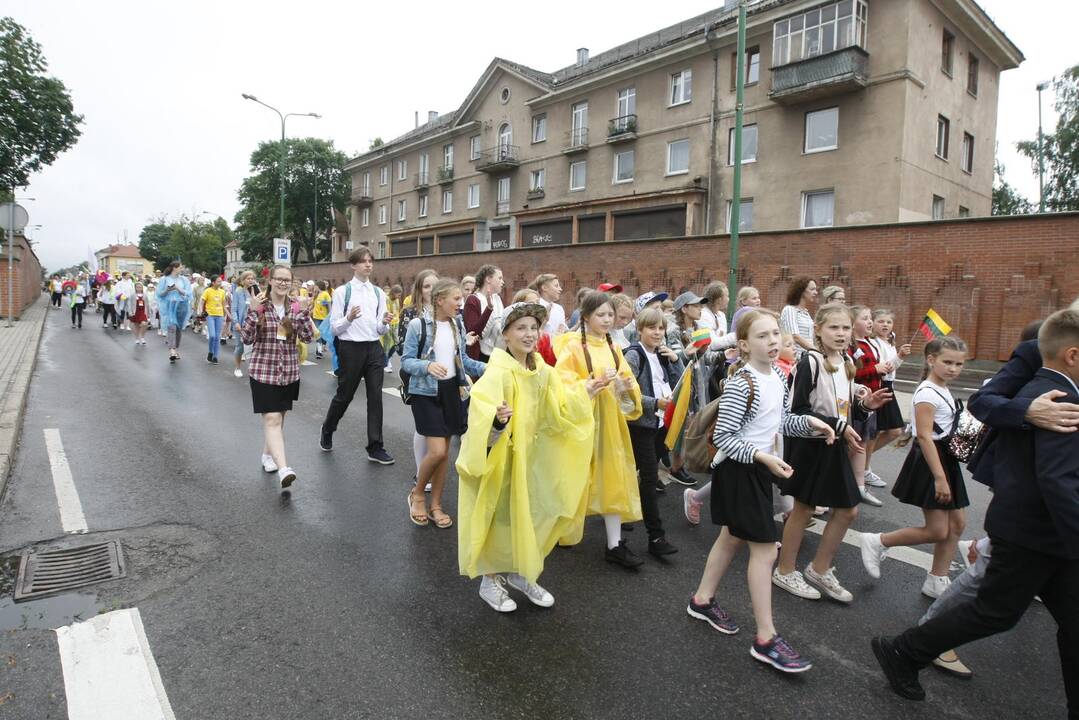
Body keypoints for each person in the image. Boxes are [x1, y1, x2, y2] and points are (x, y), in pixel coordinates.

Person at [872, 308, 1079, 713]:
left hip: (1045, 532)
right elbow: (1056, 478)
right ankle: (904, 650)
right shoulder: (1056, 394)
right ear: (1071, 354)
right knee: (994, 611)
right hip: (1033, 531)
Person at [687, 309, 835, 673]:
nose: (772, 342)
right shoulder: (743, 382)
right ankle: (766, 639)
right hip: (740, 472)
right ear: (743, 344)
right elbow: (723, 437)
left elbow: (781, 420)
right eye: (762, 336)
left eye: (775, 335)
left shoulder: (777, 378)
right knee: (766, 551)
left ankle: (702, 600)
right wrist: (763, 458)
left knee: (730, 539)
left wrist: (813, 423)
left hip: (754, 470)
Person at [456, 302, 598, 612]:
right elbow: (481, 422)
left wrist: (584, 393)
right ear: (505, 335)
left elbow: (558, 409)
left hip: (532, 461)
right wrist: (497, 423)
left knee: (532, 516)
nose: (529, 334)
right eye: (521, 328)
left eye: (534, 327)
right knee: (499, 519)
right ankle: (489, 580)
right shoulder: (497, 374)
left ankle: (523, 571)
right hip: (503, 464)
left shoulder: (542, 372)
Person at [773, 303, 892, 603]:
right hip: (811, 446)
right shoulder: (809, 362)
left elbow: (843, 407)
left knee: (848, 509)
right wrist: (837, 425)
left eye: (845, 328)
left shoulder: (846, 361)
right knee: (803, 508)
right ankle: (785, 570)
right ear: (818, 330)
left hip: (834, 443)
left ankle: (818, 568)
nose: (840, 334)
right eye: (833, 328)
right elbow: (796, 411)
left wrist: (865, 405)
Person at [860, 336, 970, 598]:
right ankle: (877, 541)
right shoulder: (927, 392)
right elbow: (924, 435)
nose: (954, 368)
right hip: (931, 462)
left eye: (959, 364)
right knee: (937, 529)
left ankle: (937, 579)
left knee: (957, 523)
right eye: (948, 362)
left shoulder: (942, 388)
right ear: (931, 360)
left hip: (944, 459)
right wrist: (940, 478)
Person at [555, 291, 644, 568]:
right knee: (575, 475)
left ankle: (614, 544)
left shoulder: (615, 348)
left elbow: (628, 384)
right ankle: (562, 530)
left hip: (609, 424)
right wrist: (588, 386)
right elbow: (562, 384)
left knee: (612, 477)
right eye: (601, 315)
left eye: (610, 315)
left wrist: (626, 387)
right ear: (586, 318)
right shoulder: (573, 348)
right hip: (582, 422)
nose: (607, 320)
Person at [402, 279, 487, 528]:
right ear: (440, 300)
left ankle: (436, 505)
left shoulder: (456, 325)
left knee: (444, 455)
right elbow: (406, 361)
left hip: (452, 391)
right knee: (437, 451)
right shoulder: (419, 325)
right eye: (456, 299)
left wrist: (493, 366)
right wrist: (427, 365)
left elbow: (464, 362)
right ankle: (417, 494)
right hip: (426, 393)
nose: (461, 303)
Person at [239, 264, 314, 489]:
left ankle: (267, 455)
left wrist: (304, 313)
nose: (283, 283)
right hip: (263, 371)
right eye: (279, 279)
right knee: (272, 419)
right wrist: (252, 312)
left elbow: (308, 338)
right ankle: (284, 469)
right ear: (270, 281)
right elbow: (246, 338)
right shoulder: (259, 305)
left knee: (279, 419)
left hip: (289, 372)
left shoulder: (296, 306)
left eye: (287, 280)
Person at [320, 246, 396, 465]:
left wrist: (384, 323)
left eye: (370, 260)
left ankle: (375, 447)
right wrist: (349, 318)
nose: (368, 264)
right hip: (350, 348)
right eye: (363, 261)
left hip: (373, 348)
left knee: (375, 397)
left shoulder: (378, 293)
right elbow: (334, 328)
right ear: (353, 265)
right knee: (345, 395)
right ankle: (328, 428)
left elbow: (380, 331)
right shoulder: (344, 292)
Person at [623, 308, 682, 557]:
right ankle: (656, 536)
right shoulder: (634, 355)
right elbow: (626, 393)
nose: (657, 333)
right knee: (648, 476)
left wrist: (676, 361)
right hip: (641, 425)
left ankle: (619, 510)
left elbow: (679, 384)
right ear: (640, 330)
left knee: (632, 470)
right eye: (652, 328)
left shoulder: (661, 354)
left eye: (661, 328)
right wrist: (654, 404)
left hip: (660, 423)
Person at [397, 270, 438, 484]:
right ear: (419, 290)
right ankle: (420, 471)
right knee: (423, 426)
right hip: (419, 375)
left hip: (442, 379)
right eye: (427, 286)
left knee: (439, 428)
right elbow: (401, 348)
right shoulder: (410, 313)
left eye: (435, 285)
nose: (431, 290)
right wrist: (425, 359)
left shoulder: (448, 312)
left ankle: (433, 469)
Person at [864, 309, 913, 487]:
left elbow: (892, 367)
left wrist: (899, 356)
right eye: (880, 321)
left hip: (889, 386)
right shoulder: (874, 342)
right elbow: (886, 367)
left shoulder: (890, 341)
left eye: (888, 322)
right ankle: (863, 467)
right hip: (880, 386)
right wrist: (899, 356)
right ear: (873, 324)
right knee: (876, 431)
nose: (885, 325)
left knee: (892, 430)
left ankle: (861, 463)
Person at [848, 305, 885, 507]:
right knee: (852, 444)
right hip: (855, 402)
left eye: (871, 317)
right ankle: (843, 484)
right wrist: (874, 369)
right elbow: (853, 372)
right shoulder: (851, 347)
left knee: (863, 442)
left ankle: (860, 487)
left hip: (868, 401)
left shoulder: (869, 344)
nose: (870, 321)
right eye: (865, 318)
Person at [463, 264, 504, 362]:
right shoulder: (473, 299)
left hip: (497, 354)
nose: (502, 282)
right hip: (480, 357)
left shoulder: (497, 299)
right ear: (488, 279)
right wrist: (488, 309)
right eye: (499, 278)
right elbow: (473, 332)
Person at [157, 261, 192, 364]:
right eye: (180, 267)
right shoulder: (164, 279)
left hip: (181, 305)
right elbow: (159, 294)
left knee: (178, 329)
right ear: (174, 268)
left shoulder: (184, 280)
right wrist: (167, 290)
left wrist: (178, 288)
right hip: (169, 305)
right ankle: (172, 350)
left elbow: (189, 294)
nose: (182, 269)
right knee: (172, 326)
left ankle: (175, 349)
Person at [779, 276, 818, 359]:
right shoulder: (790, 310)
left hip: (808, 356)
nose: (816, 292)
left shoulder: (806, 313)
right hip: (796, 358)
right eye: (812, 289)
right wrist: (816, 351)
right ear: (802, 291)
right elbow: (795, 336)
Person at [231, 272, 257, 378]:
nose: (251, 280)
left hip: (253, 323)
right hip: (241, 324)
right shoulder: (238, 291)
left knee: (255, 347)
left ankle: (254, 369)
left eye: (252, 278)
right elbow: (234, 309)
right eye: (248, 278)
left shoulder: (256, 291)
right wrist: (236, 322)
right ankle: (237, 368)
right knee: (240, 347)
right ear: (243, 280)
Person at [198, 276, 228, 365]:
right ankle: (210, 352)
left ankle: (215, 356)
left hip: (220, 316)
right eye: (218, 281)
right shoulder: (207, 291)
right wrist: (200, 311)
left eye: (221, 281)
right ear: (213, 282)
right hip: (210, 315)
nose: (220, 283)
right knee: (212, 336)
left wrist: (228, 316)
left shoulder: (222, 292)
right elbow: (201, 301)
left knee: (217, 337)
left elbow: (224, 305)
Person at [382, 284, 403, 371]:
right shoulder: (386, 299)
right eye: (398, 294)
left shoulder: (397, 300)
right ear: (393, 293)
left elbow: (397, 312)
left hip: (395, 324)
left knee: (397, 343)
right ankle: (386, 363)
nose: (399, 297)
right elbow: (386, 313)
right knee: (387, 344)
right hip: (388, 324)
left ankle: (387, 359)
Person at [311, 280, 332, 361]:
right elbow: (314, 305)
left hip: (324, 318)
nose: (314, 287)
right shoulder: (316, 294)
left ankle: (320, 348)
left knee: (322, 334)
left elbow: (329, 305)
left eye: (315, 285)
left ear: (319, 286)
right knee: (317, 333)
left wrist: (330, 315)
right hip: (316, 317)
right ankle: (319, 351)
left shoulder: (325, 294)